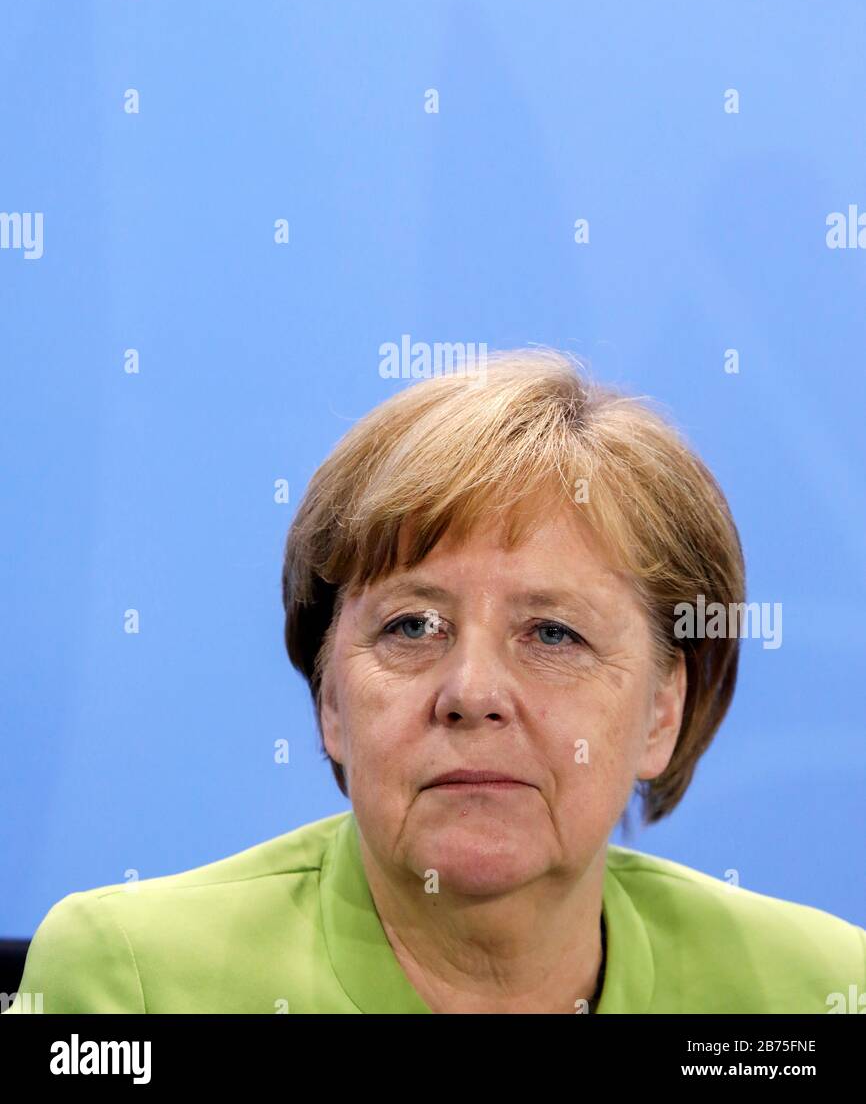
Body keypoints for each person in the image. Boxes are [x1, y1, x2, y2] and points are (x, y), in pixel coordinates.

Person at [4, 349, 864, 1013]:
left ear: (660, 714)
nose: (472, 691)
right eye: (412, 626)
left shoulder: (814, 993)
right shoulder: (135, 979)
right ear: (330, 699)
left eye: (554, 634)